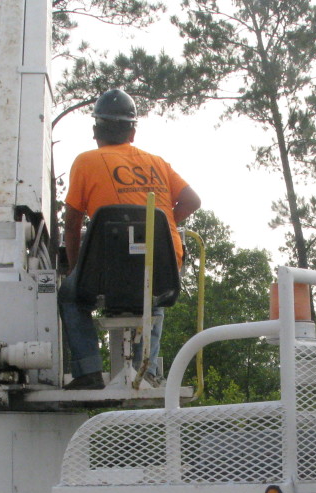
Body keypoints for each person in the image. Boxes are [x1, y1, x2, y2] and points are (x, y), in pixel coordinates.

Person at [59, 88, 201, 390]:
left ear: (96, 130)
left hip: (106, 269)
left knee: (70, 296)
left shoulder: (86, 161)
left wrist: (75, 270)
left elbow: (71, 225)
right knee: (155, 294)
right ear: (132, 132)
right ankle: (144, 370)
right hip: (162, 266)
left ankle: (88, 371)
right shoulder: (158, 163)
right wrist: (162, 230)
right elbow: (193, 200)